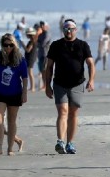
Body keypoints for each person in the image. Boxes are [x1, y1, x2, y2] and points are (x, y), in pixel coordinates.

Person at [45, 19, 95, 155]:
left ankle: (70, 143)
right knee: (62, 111)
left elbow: (90, 64)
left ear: (76, 30)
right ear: (63, 30)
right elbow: (49, 67)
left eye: (71, 28)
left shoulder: (83, 45)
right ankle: (60, 141)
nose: (68, 30)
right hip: (59, 83)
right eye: (66, 28)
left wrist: (91, 80)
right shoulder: (56, 45)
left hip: (77, 84)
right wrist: (47, 86)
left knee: (73, 113)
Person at [0, 33, 28, 156]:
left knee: (11, 120)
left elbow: (24, 78)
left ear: (15, 45)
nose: (8, 47)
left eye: (11, 45)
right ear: (2, 45)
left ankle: (10, 148)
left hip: (15, 93)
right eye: (5, 45)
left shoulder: (20, 59)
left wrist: (24, 93)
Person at [37, 21, 51, 91]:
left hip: (45, 54)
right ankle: (44, 85)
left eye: (42, 25)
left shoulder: (47, 34)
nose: (41, 27)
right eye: (41, 25)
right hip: (40, 54)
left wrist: (38, 42)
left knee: (45, 70)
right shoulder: (40, 34)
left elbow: (42, 43)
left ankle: (46, 85)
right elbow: (36, 43)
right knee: (42, 70)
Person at [24, 25, 39, 92]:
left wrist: (22, 44)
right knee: (30, 72)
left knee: (30, 73)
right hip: (31, 58)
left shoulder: (31, 42)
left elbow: (28, 50)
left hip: (30, 58)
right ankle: (32, 87)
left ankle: (32, 87)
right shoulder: (33, 41)